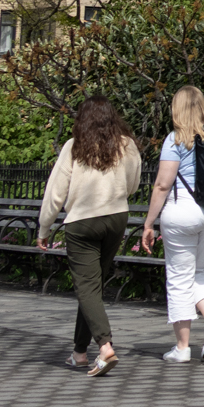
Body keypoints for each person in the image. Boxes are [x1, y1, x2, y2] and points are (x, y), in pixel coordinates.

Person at [36, 97, 143, 377]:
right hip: (116, 217)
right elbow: (133, 184)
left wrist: (44, 228)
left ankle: (105, 346)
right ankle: (79, 353)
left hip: (82, 222)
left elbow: (55, 192)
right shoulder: (126, 145)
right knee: (92, 288)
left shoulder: (74, 146)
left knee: (87, 287)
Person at [138, 86, 204, 363]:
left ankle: (182, 348)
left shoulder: (176, 139)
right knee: (200, 271)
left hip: (184, 212)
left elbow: (163, 184)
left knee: (179, 278)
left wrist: (148, 223)